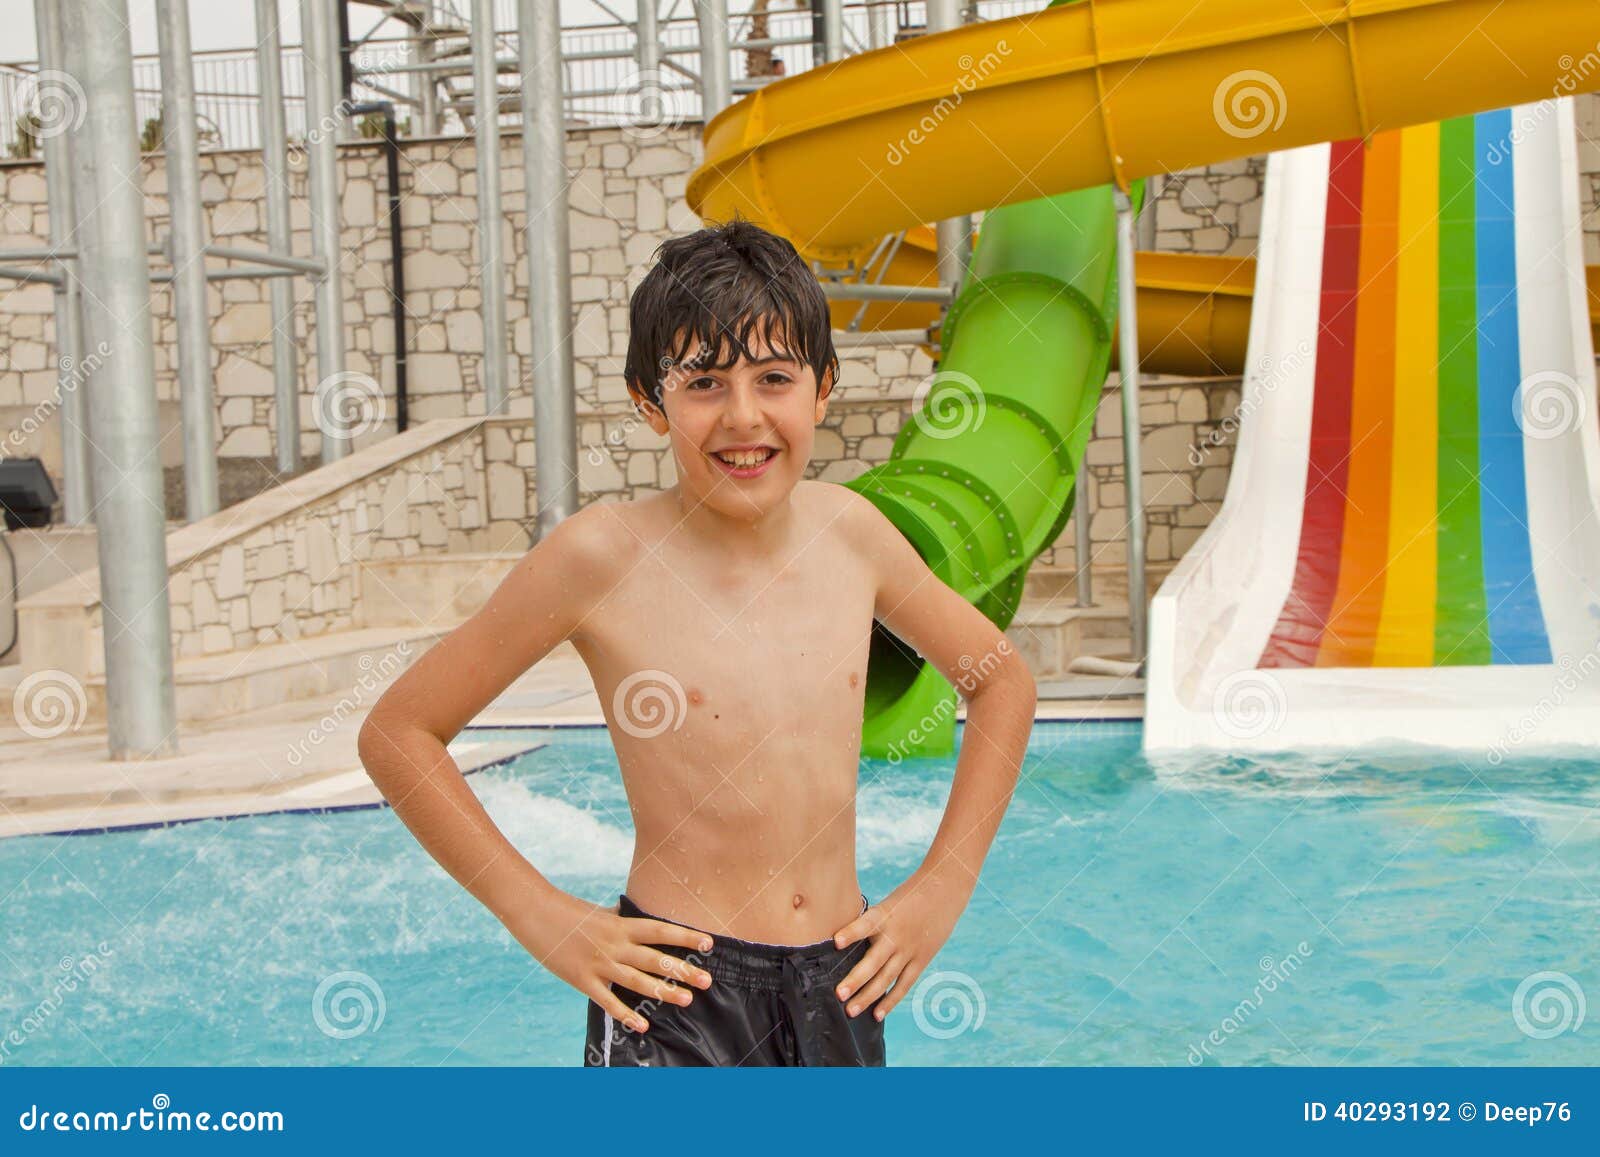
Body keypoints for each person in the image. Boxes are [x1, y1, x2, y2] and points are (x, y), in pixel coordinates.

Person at [357, 218, 1037, 1067]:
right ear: (652, 403)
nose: (743, 416)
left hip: (844, 984)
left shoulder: (854, 536)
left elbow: (1000, 680)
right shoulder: (598, 557)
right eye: (705, 383)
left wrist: (945, 885)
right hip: (677, 1000)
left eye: (774, 377)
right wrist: (542, 915)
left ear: (822, 388)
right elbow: (397, 730)